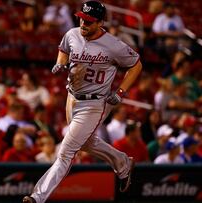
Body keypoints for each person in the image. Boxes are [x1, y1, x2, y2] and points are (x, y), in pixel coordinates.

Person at [23, 1, 142, 203]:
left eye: (89, 21)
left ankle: (37, 197)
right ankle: (122, 162)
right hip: (72, 98)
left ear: (100, 22)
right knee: (85, 142)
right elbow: (64, 49)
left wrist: (121, 92)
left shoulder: (114, 45)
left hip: (94, 104)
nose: (83, 23)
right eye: (81, 18)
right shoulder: (72, 33)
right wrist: (60, 63)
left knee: (66, 152)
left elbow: (136, 65)